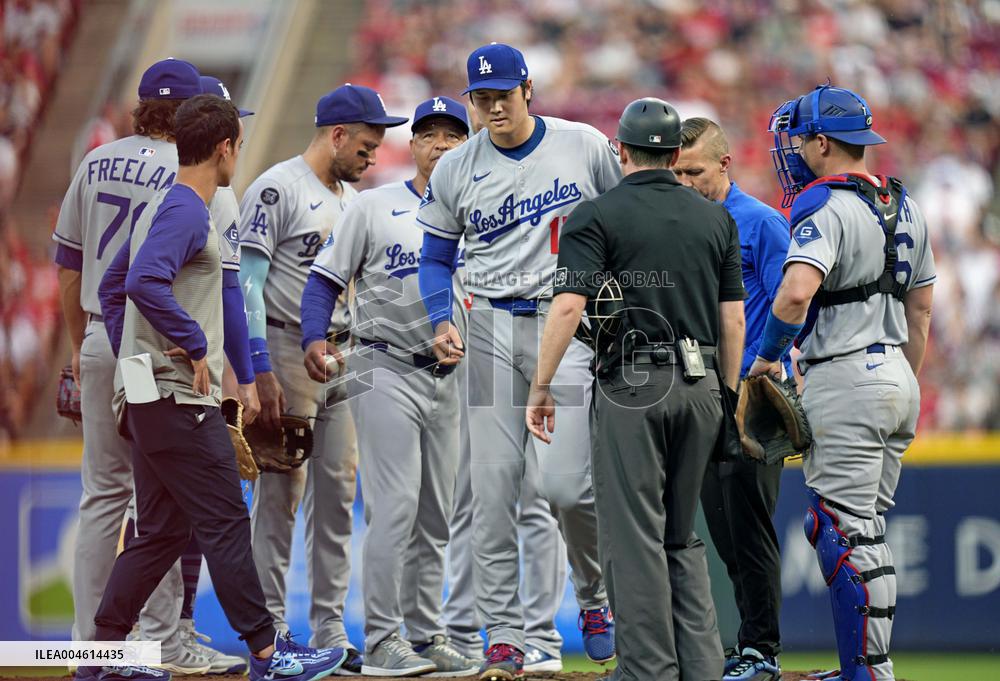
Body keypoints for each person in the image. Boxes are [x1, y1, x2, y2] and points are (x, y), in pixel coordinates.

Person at [89, 93, 347, 681]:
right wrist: (192, 344)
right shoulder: (186, 210)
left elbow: (112, 287)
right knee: (227, 519)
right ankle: (268, 653)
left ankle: (96, 662)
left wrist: (139, 356)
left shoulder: (161, 205)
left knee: (160, 533)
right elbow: (142, 283)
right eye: (239, 145)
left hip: (147, 392)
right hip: (176, 397)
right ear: (226, 148)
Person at [416, 42, 616, 680]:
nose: (492, 105)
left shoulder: (583, 145)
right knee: (494, 488)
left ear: (528, 88)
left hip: (571, 324)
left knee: (565, 488)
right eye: (480, 97)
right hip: (493, 327)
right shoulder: (456, 168)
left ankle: (594, 596)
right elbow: (435, 258)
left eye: (503, 92)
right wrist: (440, 319)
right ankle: (502, 632)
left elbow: (625, 223)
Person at [527, 97, 745, 681]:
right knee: (682, 536)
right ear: (676, 154)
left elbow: (570, 305)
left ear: (620, 150)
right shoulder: (716, 218)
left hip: (634, 384)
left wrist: (541, 386)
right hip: (700, 384)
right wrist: (725, 397)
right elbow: (733, 321)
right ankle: (701, 668)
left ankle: (647, 670)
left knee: (633, 538)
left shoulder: (595, 215)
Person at [52, 59, 256, 674]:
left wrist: (84, 346)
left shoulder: (97, 160)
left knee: (102, 497)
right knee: (160, 500)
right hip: (162, 348)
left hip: (101, 335)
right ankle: (162, 642)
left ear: (142, 105)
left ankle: (89, 646)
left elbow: (69, 266)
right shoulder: (193, 175)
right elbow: (224, 290)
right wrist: (221, 362)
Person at [751, 84, 934, 681]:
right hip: (897, 374)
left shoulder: (822, 206)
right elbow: (922, 312)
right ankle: (872, 665)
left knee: (840, 533)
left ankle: (867, 673)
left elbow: (796, 292)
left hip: (846, 373)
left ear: (823, 142)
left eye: (801, 138)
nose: (794, 149)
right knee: (867, 533)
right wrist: (901, 379)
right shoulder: (907, 205)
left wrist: (767, 357)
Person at [300, 95, 479, 677]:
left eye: (453, 134)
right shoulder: (375, 207)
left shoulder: (480, 211)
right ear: (412, 145)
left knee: (435, 514)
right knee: (396, 507)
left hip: (450, 377)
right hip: (383, 365)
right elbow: (324, 279)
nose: (441, 144)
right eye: (429, 134)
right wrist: (312, 338)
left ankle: (425, 637)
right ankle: (381, 638)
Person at [237, 83, 403, 673]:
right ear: (336, 134)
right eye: (366, 142)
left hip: (346, 352)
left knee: (339, 497)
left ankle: (329, 627)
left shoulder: (354, 199)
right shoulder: (278, 186)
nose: (373, 154)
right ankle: (273, 628)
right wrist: (257, 365)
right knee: (282, 497)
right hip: (285, 346)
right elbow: (247, 284)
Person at [672, 117, 789, 681]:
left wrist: (766, 371)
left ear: (724, 165)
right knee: (721, 533)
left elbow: (795, 306)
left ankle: (761, 650)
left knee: (751, 529)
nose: (685, 181)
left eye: (694, 170)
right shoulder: (682, 225)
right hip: (700, 392)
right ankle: (742, 644)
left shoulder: (761, 223)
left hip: (749, 394)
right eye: (676, 172)